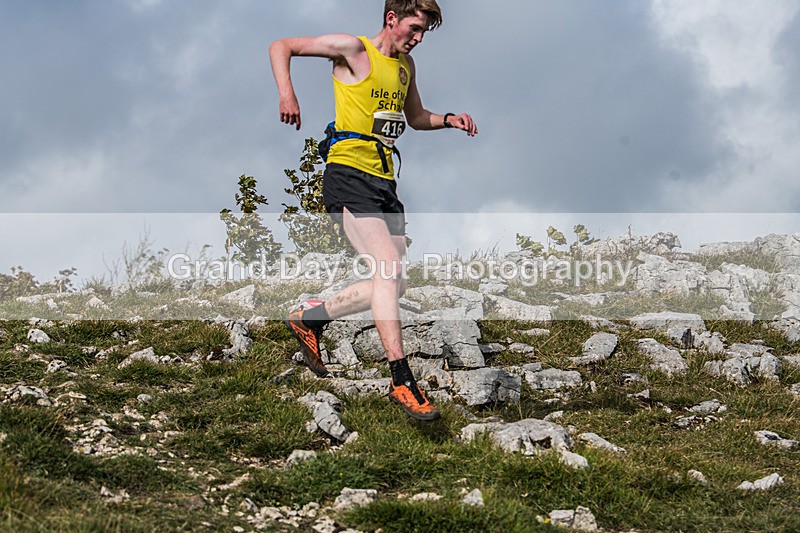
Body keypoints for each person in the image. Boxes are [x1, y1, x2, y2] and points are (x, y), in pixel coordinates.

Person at [270, 0, 477, 421]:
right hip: (347, 174)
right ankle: (401, 379)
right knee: (385, 268)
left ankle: (309, 319)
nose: (418, 39)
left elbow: (416, 117)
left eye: (423, 34)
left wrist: (449, 119)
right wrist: (287, 93)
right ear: (392, 19)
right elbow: (282, 45)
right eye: (414, 29)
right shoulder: (353, 49)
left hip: (385, 182)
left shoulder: (406, 68)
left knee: (394, 283)